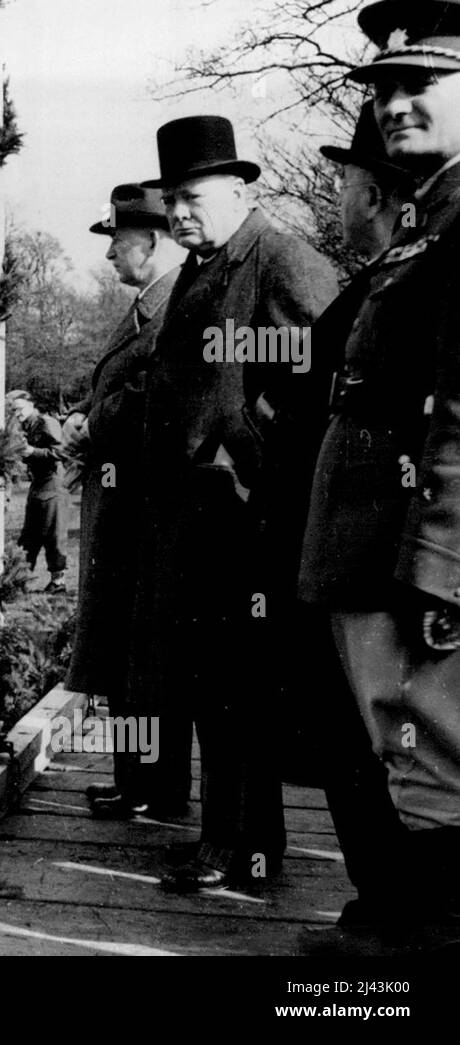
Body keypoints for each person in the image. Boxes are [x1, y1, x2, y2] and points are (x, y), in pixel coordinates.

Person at [134, 115, 340, 892]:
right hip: (198, 522)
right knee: (214, 689)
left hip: (245, 522)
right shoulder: (203, 263)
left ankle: (244, 850)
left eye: (191, 197)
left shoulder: (281, 259)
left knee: (243, 689)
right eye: (172, 200)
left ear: (239, 188)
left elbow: (322, 381)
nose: (178, 214)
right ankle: (229, 837)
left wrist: (249, 455)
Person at [298, 2, 460, 944]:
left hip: (421, 562)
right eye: (386, 86)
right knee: (416, 785)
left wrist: (442, 566)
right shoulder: (434, 215)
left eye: (422, 84)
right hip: (384, 554)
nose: (395, 103)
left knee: (439, 786)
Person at [62, 183, 184, 819]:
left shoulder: (171, 309)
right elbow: (120, 383)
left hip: (144, 508)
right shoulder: (146, 308)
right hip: (123, 504)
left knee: (147, 657)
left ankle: (154, 789)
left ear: (154, 241)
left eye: (118, 240)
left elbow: (151, 395)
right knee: (129, 655)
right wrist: (86, 412)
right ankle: (138, 782)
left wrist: (93, 423)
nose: (110, 254)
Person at [10, 391, 67, 593]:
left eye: (20, 408)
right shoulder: (27, 426)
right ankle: (21, 579)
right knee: (29, 535)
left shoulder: (46, 422)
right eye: (14, 410)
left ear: (31, 404)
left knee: (53, 533)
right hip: (38, 483)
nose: (17, 414)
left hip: (53, 484)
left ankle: (58, 582)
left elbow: (62, 452)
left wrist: (33, 452)